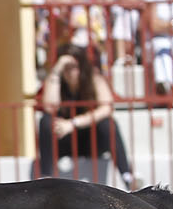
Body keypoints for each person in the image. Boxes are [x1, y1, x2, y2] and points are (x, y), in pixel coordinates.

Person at [35, 42, 136, 188]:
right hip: (64, 140)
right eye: (66, 68)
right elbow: (49, 107)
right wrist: (57, 70)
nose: (70, 72)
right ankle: (45, 177)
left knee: (108, 124)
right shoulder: (56, 81)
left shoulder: (93, 78)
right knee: (45, 121)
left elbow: (106, 108)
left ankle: (128, 177)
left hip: (90, 140)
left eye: (74, 67)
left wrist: (73, 123)